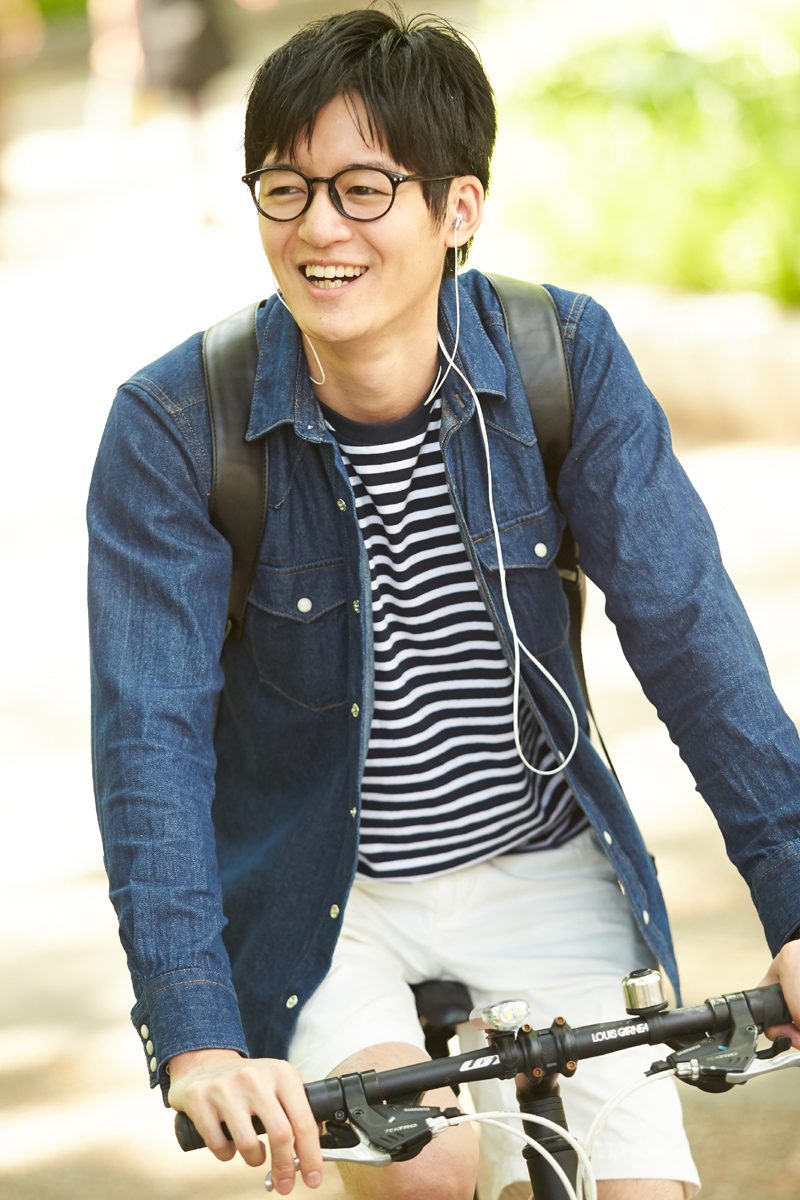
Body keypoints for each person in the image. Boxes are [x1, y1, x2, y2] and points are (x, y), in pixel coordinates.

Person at [87, 6, 800, 1199]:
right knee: (431, 1170)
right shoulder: (172, 425)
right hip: (328, 895)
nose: (318, 228)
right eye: (285, 188)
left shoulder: (562, 359)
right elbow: (146, 735)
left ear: (456, 208)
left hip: (539, 854)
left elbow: (688, 633)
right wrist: (197, 1034)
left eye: (364, 189)